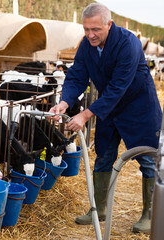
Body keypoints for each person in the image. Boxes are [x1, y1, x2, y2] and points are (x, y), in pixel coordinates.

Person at [49, 3, 162, 233]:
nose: (90, 34)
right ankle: (99, 209)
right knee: (103, 156)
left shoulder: (127, 44)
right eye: (86, 29)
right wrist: (65, 102)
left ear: (109, 24)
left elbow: (117, 88)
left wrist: (85, 113)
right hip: (108, 110)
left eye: (96, 30)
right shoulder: (87, 46)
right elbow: (77, 76)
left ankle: (150, 216)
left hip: (139, 109)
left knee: (148, 160)